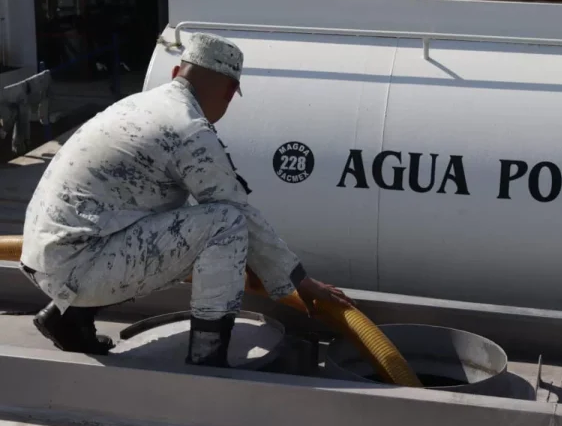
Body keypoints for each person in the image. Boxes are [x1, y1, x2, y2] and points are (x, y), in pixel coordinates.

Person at [19, 32, 356, 367]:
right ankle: (207, 358)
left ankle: (67, 319)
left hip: (46, 254)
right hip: (78, 266)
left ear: (175, 73)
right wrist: (300, 282)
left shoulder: (138, 104)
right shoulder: (188, 129)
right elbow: (236, 210)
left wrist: (260, 265)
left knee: (182, 213)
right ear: (229, 92)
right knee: (225, 224)